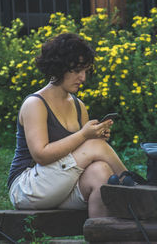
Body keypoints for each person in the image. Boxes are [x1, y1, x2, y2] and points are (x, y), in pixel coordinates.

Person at [7, 33, 129, 217]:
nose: (83, 78)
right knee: (94, 146)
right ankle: (136, 191)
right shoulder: (35, 104)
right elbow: (41, 155)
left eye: (85, 71)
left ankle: (101, 234)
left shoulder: (78, 106)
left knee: (101, 172)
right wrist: (85, 137)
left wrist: (95, 135)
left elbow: (80, 154)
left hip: (62, 185)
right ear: (58, 67)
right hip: (28, 188)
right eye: (76, 70)